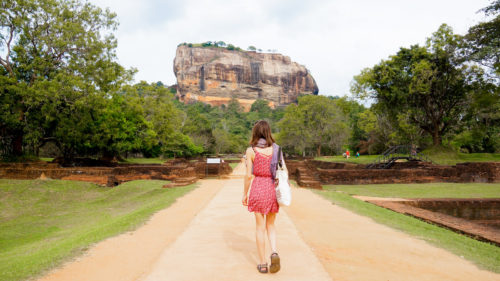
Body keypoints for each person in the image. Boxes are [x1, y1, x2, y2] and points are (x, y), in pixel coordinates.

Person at [242, 120, 284, 274]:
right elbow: (283, 170)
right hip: (272, 189)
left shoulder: (251, 151)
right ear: (268, 132)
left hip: (258, 188)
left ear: (255, 133)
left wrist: (244, 194)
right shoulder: (276, 149)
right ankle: (274, 252)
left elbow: (248, 176)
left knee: (259, 228)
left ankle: (263, 263)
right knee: (271, 226)